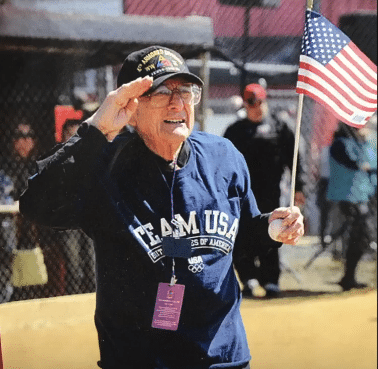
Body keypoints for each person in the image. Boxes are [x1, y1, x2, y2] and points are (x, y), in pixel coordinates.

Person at [19, 45, 304, 369]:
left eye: (185, 90)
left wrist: (272, 227)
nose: (177, 101)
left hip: (223, 358)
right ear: (131, 107)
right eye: (161, 91)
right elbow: (35, 204)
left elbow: (239, 236)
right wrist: (96, 130)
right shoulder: (106, 167)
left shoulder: (223, 157)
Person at [224, 84, 305, 298]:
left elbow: (294, 157)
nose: (256, 107)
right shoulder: (235, 131)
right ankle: (248, 279)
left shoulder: (279, 126)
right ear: (245, 105)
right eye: (251, 103)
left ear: (265, 101)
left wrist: (299, 188)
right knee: (241, 235)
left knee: (273, 232)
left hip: (270, 191)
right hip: (241, 194)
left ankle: (271, 281)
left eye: (260, 102)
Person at [326, 122, 377, 291]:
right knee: (361, 233)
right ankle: (348, 277)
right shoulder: (341, 143)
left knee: (362, 236)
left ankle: (349, 277)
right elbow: (355, 163)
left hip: (365, 195)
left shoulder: (366, 143)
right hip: (347, 197)